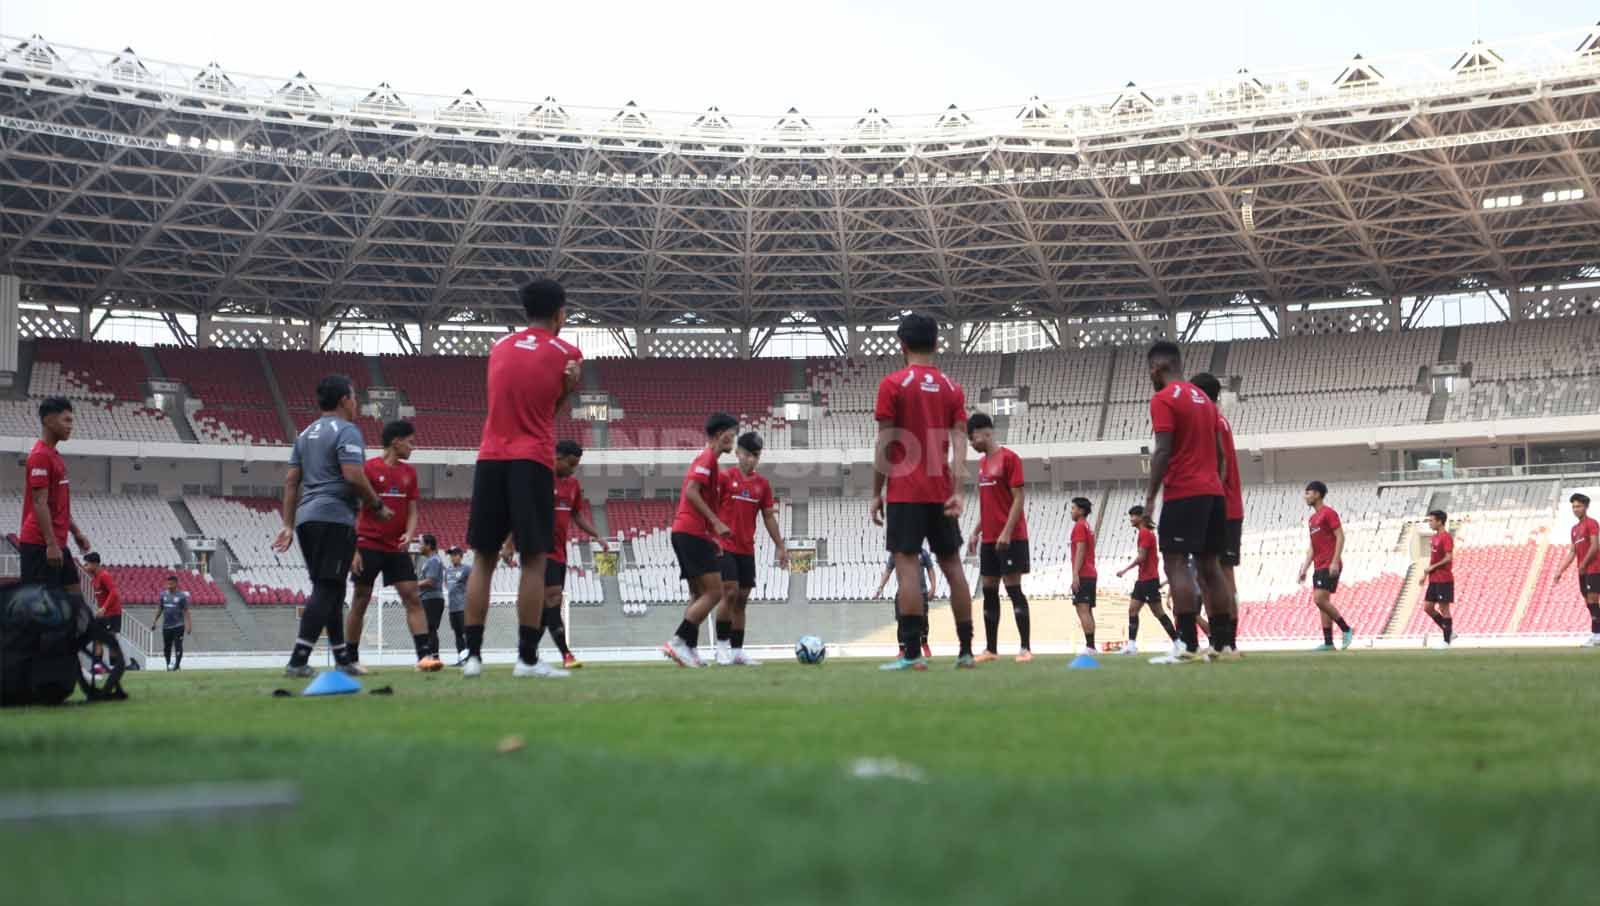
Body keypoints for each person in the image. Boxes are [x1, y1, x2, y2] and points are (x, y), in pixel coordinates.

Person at [463, 278, 583, 679]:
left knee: (483, 557)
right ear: (560, 314)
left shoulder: (499, 348)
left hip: (490, 455)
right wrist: (570, 385)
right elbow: (548, 410)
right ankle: (526, 658)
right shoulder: (568, 352)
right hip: (531, 460)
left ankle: (473, 658)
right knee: (534, 560)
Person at [871, 312, 975, 671]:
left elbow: (885, 443)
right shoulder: (951, 388)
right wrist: (958, 490)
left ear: (901, 345)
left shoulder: (893, 384)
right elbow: (961, 443)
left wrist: (876, 492)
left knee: (907, 568)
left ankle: (913, 654)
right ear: (936, 343)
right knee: (953, 567)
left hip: (904, 491)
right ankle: (966, 651)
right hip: (940, 489)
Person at [273, 375, 393, 678]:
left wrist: (287, 525)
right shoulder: (347, 431)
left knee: (332, 588)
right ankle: (298, 659)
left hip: (306, 519)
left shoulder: (305, 434)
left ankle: (342, 658)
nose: (357, 404)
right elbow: (353, 475)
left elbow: (290, 480)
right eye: (354, 398)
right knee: (328, 588)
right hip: (334, 517)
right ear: (344, 400)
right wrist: (377, 506)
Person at [1140, 342, 1238, 665]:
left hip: (1184, 492)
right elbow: (1221, 457)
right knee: (1211, 567)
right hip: (1213, 494)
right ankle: (1224, 645)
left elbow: (1163, 450)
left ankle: (1187, 644)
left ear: (1157, 367)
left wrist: (1151, 498)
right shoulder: (1207, 403)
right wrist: (1213, 484)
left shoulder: (1163, 399)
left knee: (1176, 563)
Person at [346, 420, 438, 673]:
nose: (413, 446)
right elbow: (352, 509)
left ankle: (424, 657)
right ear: (396, 441)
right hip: (367, 543)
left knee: (412, 596)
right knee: (361, 599)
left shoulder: (410, 473)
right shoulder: (368, 469)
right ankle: (350, 658)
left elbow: (412, 511)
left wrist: (409, 533)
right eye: (410, 441)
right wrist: (353, 549)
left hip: (396, 548)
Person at [662, 413, 738, 667]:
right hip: (690, 532)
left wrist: (711, 535)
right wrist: (715, 524)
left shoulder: (712, 463)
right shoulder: (706, 458)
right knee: (715, 592)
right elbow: (691, 492)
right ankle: (678, 642)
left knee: (698, 593)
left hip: (690, 533)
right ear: (718, 434)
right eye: (731, 432)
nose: (734, 438)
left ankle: (690, 649)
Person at [714, 432, 787, 667]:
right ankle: (722, 648)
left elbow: (768, 517)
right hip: (724, 546)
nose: (751, 460)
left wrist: (780, 546)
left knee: (742, 600)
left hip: (747, 549)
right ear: (737, 453)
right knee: (730, 593)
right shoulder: (725, 479)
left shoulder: (762, 485)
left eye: (755, 456)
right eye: (747, 455)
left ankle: (737, 651)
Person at [964, 412, 1032, 663]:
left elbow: (1018, 499)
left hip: (1010, 537)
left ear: (986, 433)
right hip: (990, 539)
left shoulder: (1010, 459)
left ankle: (1025, 648)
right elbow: (989, 505)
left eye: (973, 439)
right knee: (989, 590)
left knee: (1013, 589)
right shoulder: (982, 464)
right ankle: (991, 649)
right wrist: (975, 531)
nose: (971, 444)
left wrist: (1006, 531)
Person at [18, 397, 92, 604]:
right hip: (39, 545)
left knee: (76, 604)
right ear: (49, 421)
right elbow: (39, 503)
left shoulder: (54, 455)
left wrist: (76, 533)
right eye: (66, 420)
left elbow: (57, 506)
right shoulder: (40, 456)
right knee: (39, 612)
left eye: (71, 421)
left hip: (58, 544)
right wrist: (50, 544)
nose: (71, 426)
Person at [1191, 371, 1244, 653]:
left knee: (1221, 574)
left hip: (1223, 507)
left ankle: (1228, 641)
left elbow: (1219, 466)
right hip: (1221, 505)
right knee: (1209, 574)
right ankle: (1220, 640)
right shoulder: (1214, 420)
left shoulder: (1214, 421)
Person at [544, 439, 608, 669]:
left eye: (576, 465)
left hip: (561, 552)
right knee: (553, 597)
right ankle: (566, 654)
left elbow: (577, 516)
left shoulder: (572, 485)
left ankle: (527, 649)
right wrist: (510, 543)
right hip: (540, 550)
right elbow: (523, 510)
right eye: (570, 464)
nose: (573, 469)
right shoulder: (541, 478)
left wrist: (597, 536)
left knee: (548, 605)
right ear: (558, 457)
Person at [1115, 506, 1180, 657]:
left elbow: (1142, 557)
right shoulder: (1144, 533)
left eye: (1133, 516)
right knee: (1132, 610)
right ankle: (1131, 645)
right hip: (1142, 580)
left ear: (1141, 518)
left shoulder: (1145, 534)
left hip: (1149, 580)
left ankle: (1178, 643)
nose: (1131, 519)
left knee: (1159, 613)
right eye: (1130, 516)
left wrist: (1125, 570)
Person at [1298, 480, 1354, 651]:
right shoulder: (1312, 519)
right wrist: (1304, 568)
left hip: (1329, 564)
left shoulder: (1328, 513)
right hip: (1318, 565)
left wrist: (1335, 560)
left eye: (1308, 493)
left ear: (1317, 494)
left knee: (1319, 599)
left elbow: (1340, 536)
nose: (1305, 496)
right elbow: (1312, 547)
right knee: (1323, 603)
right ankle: (1329, 643)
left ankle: (1346, 629)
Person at [1551, 492, 1600, 647]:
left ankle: (1597, 634)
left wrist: (1584, 564)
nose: (1575, 509)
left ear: (1586, 507)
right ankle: (1596, 633)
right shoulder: (1574, 529)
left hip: (1593, 568)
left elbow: (1595, 545)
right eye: (1573, 506)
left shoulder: (1591, 523)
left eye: (1578, 506)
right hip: (1583, 571)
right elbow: (1572, 552)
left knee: (1593, 600)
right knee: (1588, 602)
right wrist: (1560, 570)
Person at [873, 547, 935, 658]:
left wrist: (933, 587)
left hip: (921, 592)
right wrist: (880, 588)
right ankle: (902, 649)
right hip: (903, 592)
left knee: (923, 620)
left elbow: (930, 569)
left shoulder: (922, 552)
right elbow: (888, 571)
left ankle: (924, 643)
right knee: (901, 621)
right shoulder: (895, 553)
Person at [1419, 510, 1457, 648]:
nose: (1429, 523)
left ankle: (1446, 641)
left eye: (1431, 520)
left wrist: (1433, 567)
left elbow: (1448, 557)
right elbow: (1433, 558)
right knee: (1428, 607)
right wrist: (1425, 574)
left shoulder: (1446, 537)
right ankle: (1449, 631)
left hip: (1444, 578)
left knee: (1444, 608)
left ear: (1440, 521)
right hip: (1433, 578)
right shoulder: (1434, 538)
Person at [1069, 497, 1099, 656]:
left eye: (1073, 508)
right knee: (1087, 610)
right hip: (1090, 573)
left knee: (1082, 609)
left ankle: (1090, 647)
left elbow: (1080, 549)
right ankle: (1091, 646)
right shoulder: (1087, 526)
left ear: (1081, 511)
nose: (1071, 511)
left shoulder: (1080, 526)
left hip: (1084, 574)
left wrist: (1075, 575)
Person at [83, 552, 122, 669]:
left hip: (112, 614)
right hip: (102, 615)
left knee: (111, 640)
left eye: (87, 564)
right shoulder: (94, 579)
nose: (85, 567)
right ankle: (97, 667)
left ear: (95, 564)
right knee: (97, 639)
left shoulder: (104, 575)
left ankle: (114, 667)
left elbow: (114, 593)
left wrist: (104, 608)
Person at [416, 534, 447, 664]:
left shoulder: (434, 560)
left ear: (428, 545)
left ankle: (433, 658)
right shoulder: (430, 560)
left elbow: (431, 582)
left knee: (430, 628)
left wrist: (414, 584)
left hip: (432, 599)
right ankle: (433, 657)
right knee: (429, 629)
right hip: (429, 598)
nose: (419, 546)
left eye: (421, 543)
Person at [154, 574, 192, 671]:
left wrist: (189, 625)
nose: (169, 585)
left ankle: (177, 665)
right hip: (166, 626)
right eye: (168, 583)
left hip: (178, 626)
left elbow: (186, 611)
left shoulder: (181, 596)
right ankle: (168, 665)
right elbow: (160, 608)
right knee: (167, 647)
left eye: (171, 584)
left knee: (178, 645)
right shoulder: (163, 595)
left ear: (176, 584)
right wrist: (154, 621)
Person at [444, 547, 471, 665]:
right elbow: (447, 584)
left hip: (463, 607)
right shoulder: (448, 570)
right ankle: (461, 659)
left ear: (461, 556)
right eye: (451, 555)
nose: (452, 557)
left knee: (466, 634)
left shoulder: (467, 569)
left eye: (455, 555)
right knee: (458, 635)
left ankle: (470, 658)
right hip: (452, 608)